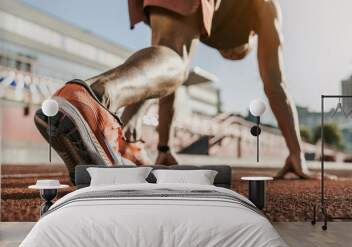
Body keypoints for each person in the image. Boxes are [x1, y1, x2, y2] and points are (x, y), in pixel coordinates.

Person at [34, 0, 313, 182]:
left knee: (167, 64)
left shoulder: (213, 15)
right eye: (233, 51)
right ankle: (91, 99)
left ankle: (118, 136)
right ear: (249, 36)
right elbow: (276, 85)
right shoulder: (266, 7)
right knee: (175, 62)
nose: (226, 51)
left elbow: (165, 83)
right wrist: (297, 153)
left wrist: (164, 148)